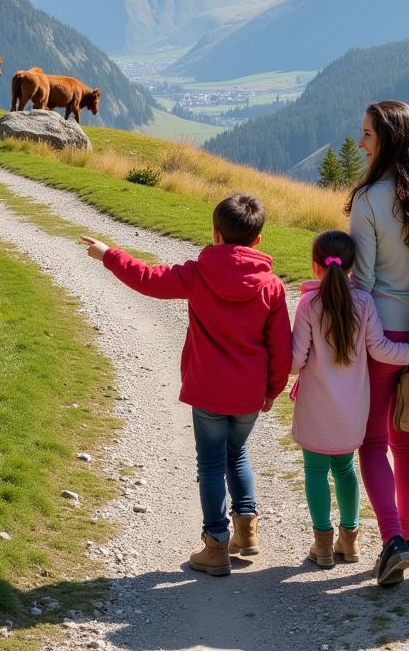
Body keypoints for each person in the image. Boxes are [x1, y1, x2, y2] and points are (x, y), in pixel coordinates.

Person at [80, 193, 291, 577]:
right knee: (237, 454)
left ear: (214, 233)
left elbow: (147, 279)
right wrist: (271, 391)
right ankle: (247, 532)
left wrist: (109, 254)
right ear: (258, 240)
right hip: (249, 394)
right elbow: (282, 349)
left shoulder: (197, 274)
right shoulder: (272, 287)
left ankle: (216, 546)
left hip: (208, 389)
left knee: (211, 462)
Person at [291, 229, 409, 579]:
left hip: (315, 407)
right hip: (354, 408)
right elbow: (381, 350)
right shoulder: (365, 303)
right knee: (345, 469)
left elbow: (295, 361)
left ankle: (323, 546)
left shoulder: (309, 305)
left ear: (315, 266)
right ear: (355, 267)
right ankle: (350, 541)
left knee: (314, 470)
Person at [347, 100, 409, 585]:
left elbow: (361, 280)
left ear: (386, 139)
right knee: (407, 439)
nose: (361, 142)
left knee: (372, 440)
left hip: (380, 331)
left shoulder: (368, 200)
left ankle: (391, 540)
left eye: (367, 134)